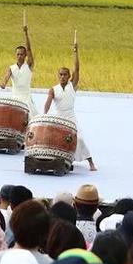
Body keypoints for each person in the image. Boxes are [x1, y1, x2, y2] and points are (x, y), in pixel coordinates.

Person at [43, 41, 97, 171]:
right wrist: (44, 115)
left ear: (69, 76)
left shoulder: (72, 85)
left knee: (79, 138)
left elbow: (77, 68)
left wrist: (76, 52)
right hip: (59, 118)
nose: (62, 76)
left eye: (65, 74)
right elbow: (48, 103)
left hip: (71, 118)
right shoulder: (53, 89)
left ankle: (90, 162)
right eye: (60, 74)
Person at [0, 25, 38, 115]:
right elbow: (5, 79)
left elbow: (29, 49)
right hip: (15, 98)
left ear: (25, 55)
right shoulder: (11, 68)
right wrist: (3, 84)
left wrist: (26, 34)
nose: (19, 56)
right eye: (18, 54)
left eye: (21, 54)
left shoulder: (29, 65)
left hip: (26, 99)